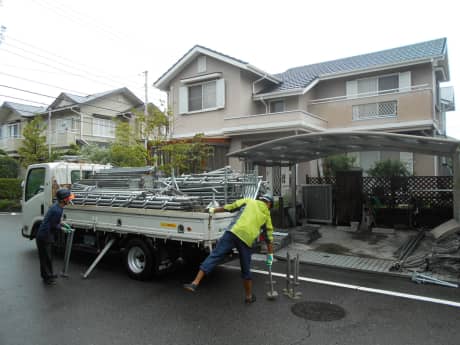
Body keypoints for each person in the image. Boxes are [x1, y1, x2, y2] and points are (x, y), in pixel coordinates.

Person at [183, 194, 274, 304]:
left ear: (262, 199)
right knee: (246, 268)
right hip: (246, 240)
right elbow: (269, 237)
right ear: (269, 204)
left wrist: (213, 210)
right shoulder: (267, 215)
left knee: (215, 255)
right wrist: (270, 255)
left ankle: (195, 283)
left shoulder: (249, 201)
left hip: (233, 232)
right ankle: (249, 296)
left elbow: (230, 207)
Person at [36, 188, 74, 285]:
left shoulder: (58, 207)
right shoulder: (57, 209)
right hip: (44, 236)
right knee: (46, 258)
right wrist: (63, 228)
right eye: (69, 198)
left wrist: (63, 224)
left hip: (47, 234)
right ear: (64, 200)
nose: (70, 200)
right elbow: (53, 225)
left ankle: (49, 274)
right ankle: (47, 278)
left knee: (48, 257)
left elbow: (56, 221)